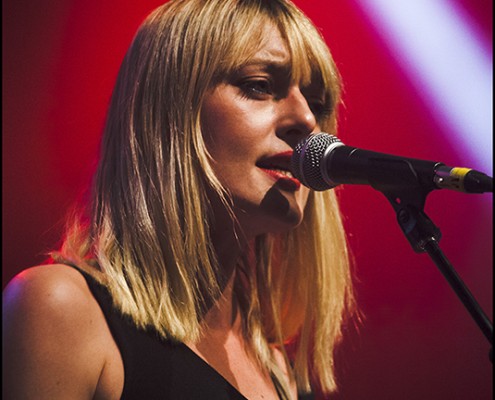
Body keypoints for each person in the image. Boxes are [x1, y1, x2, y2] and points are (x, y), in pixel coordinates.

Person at [2, 0, 356, 399]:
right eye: (259, 85)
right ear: (169, 110)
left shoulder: (282, 373)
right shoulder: (62, 309)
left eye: (317, 103)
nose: (307, 120)